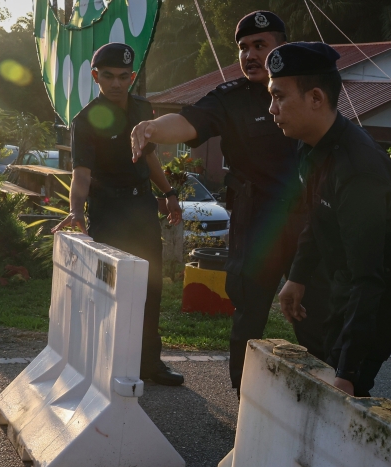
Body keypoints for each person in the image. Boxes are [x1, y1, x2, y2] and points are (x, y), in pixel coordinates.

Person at [129, 10, 329, 395]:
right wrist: (152, 128)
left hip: (307, 220)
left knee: (316, 316)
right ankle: (246, 405)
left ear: (280, 48)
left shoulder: (308, 93)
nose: (250, 54)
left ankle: (323, 404)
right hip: (256, 221)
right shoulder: (229, 99)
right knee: (248, 319)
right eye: (243, 48)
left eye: (260, 45)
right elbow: (189, 122)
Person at [269, 43, 391, 398]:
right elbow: (317, 216)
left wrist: (349, 371)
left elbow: (369, 278)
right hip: (349, 269)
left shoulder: (357, 169)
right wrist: (297, 276)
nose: (272, 109)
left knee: (345, 380)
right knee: (326, 355)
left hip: (389, 282)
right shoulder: (310, 145)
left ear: (315, 98)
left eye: (279, 97)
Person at [53, 43, 184, 386]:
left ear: (132, 77)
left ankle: (149, 365)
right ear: (96, 76)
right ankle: (104, 363)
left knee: (150, 287)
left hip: (141, 207)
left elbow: (150, 157)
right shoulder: (85, 120)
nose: (115, 83)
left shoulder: (142, 107)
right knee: (108, 290)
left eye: (123, 77)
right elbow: (81, 174)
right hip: (108, 211)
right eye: (108, 76)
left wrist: (168, 193)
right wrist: (75, 210)